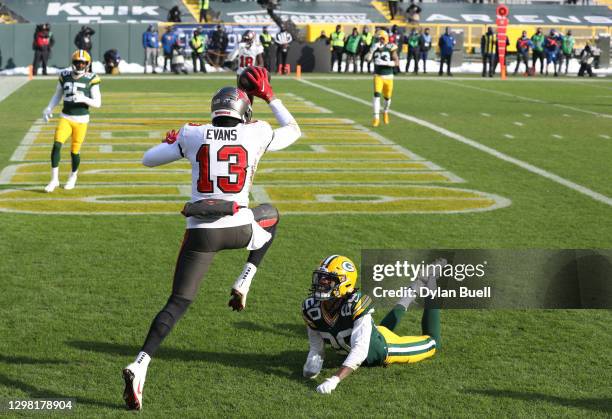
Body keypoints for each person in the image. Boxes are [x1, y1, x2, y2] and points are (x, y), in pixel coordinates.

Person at [121, 68, 302, 411]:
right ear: (244, 113)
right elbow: (294, 131)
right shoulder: (258, 132)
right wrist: (271, 96)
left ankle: (140, 364)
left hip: (200, 233)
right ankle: (245, 279)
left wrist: (170, 142)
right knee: (271, 215)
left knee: (177, 302)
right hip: (239, 227)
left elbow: (147, 160)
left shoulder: (192, 133)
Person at [301, 255, 441, 394]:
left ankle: (431, 278)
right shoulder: (311, 307)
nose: (321, 282)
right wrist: (313, 362)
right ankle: (416, 285)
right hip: (371, 334)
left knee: (433, 342)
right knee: (383, 329)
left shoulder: (357, 303)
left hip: (383, 348)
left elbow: (360, 350)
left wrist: (335, 379)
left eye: (328, 279)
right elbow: (315, 345)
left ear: (345, 283)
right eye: (320, 277)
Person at [41, 50, 101, 193]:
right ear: (73, 63)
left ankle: (73, 176)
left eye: (83, 63)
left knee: (75, 151)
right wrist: (48, 108)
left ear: (87, 64)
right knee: (56, 145)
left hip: (81, 120)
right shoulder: (64, 76)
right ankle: (54, 179)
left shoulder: (92, 78)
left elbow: (98, 103)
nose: (80, 65)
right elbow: (57, 95)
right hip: (66, 117)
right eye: (77, 62)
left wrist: (83, 98)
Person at [365, 30, 398, 127]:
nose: (380, 40)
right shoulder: (375, 47)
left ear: (386, 38)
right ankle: (376, 118)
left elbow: (397, 62)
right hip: (378, 75)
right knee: (376, 95)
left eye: (382, 38)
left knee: (387, 98)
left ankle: (385, 111)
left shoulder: (391, 47)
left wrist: (386, 63)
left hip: (388, 76)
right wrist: (371, 51)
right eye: (379, 38)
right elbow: (367, 59)